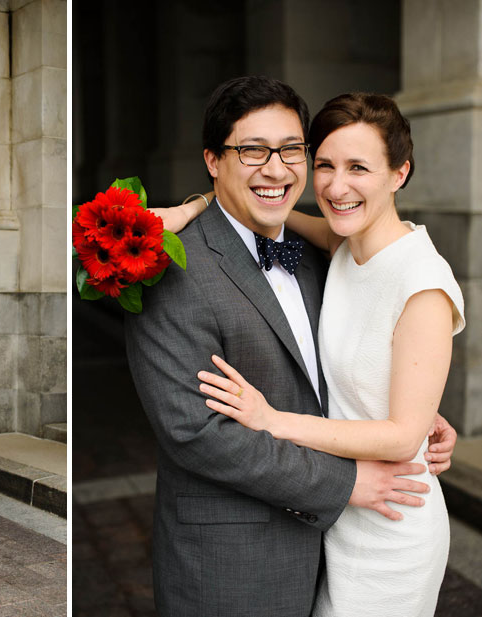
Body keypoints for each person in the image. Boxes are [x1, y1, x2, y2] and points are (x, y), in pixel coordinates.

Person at [122, 76, 457, 617]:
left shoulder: (331, 251)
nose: (277, 168)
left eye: (292, 150)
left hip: (380, 521)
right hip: (235, 560)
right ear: (213, 159)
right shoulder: (178, 265)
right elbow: (195, 433)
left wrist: (413, 407)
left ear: (400, 174)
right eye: (252, 150)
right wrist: (187, 211)